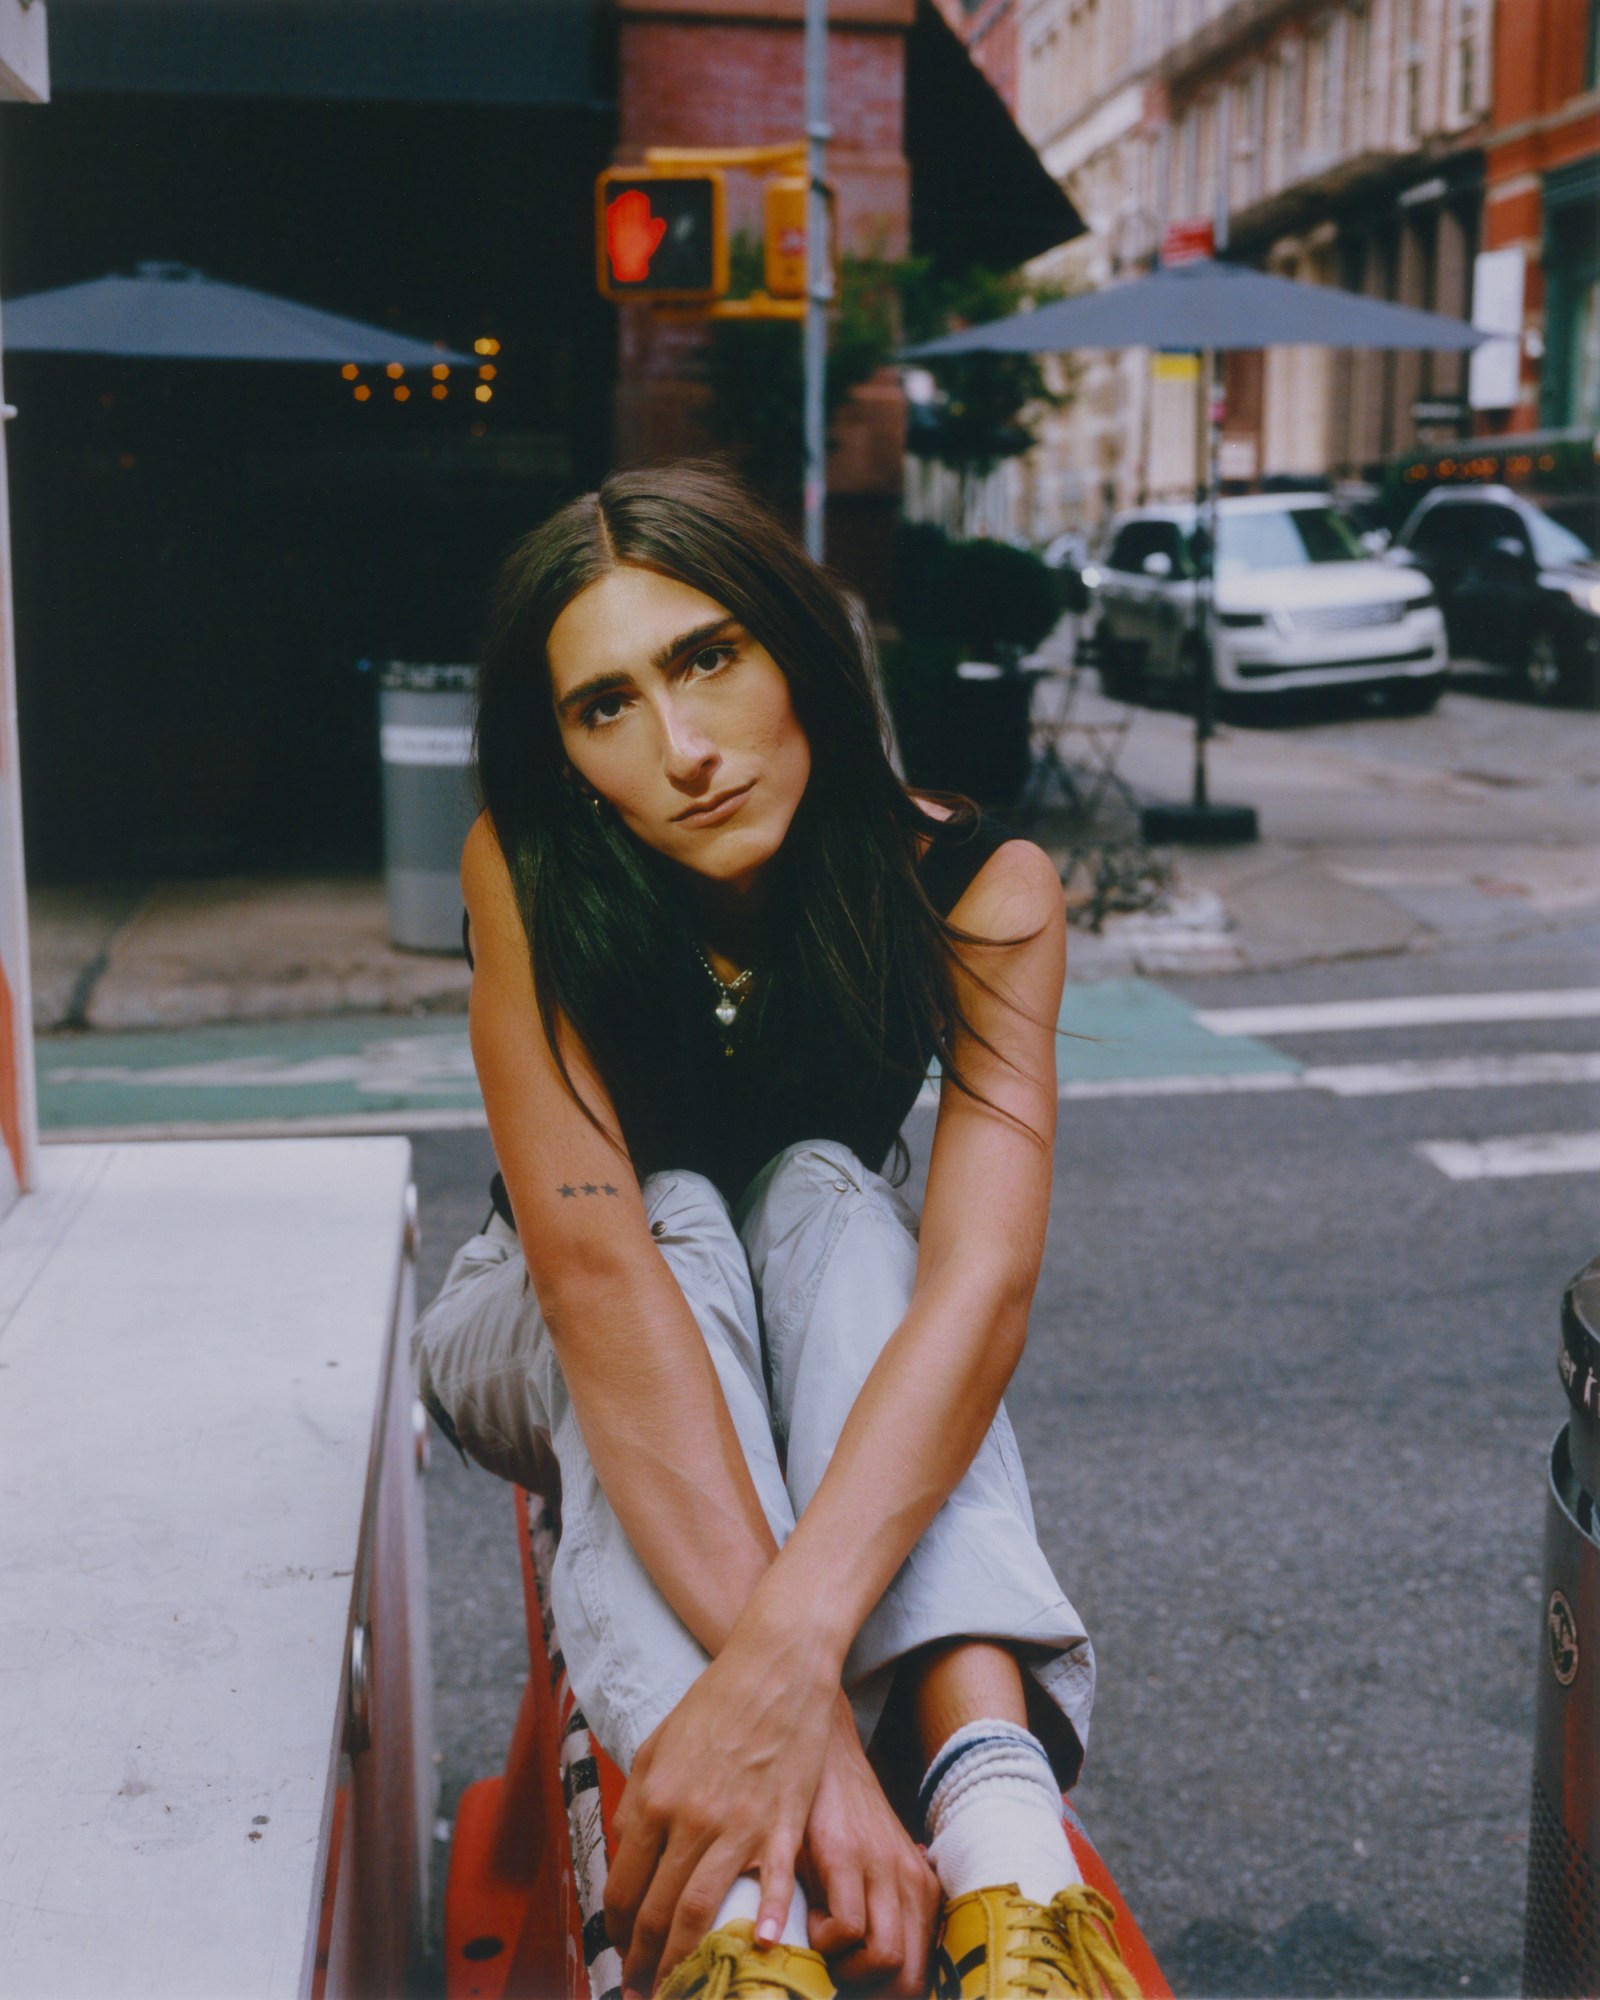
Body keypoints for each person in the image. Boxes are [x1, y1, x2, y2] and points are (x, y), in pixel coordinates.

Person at [414, 463, 1137, 2000]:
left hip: (810, 1306)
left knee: (827, 1184)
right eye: (604, 706)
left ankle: (1008, 1851)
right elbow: (598, 1283)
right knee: (674, 1215)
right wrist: (809, 1748)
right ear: (562, 750)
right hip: (538, 1321)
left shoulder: (976, 884)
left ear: (799, 649)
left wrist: (788, 1663)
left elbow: (980, 1291)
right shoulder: (527, 870)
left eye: (707, 658)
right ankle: (733, 1918)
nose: (680, 750)